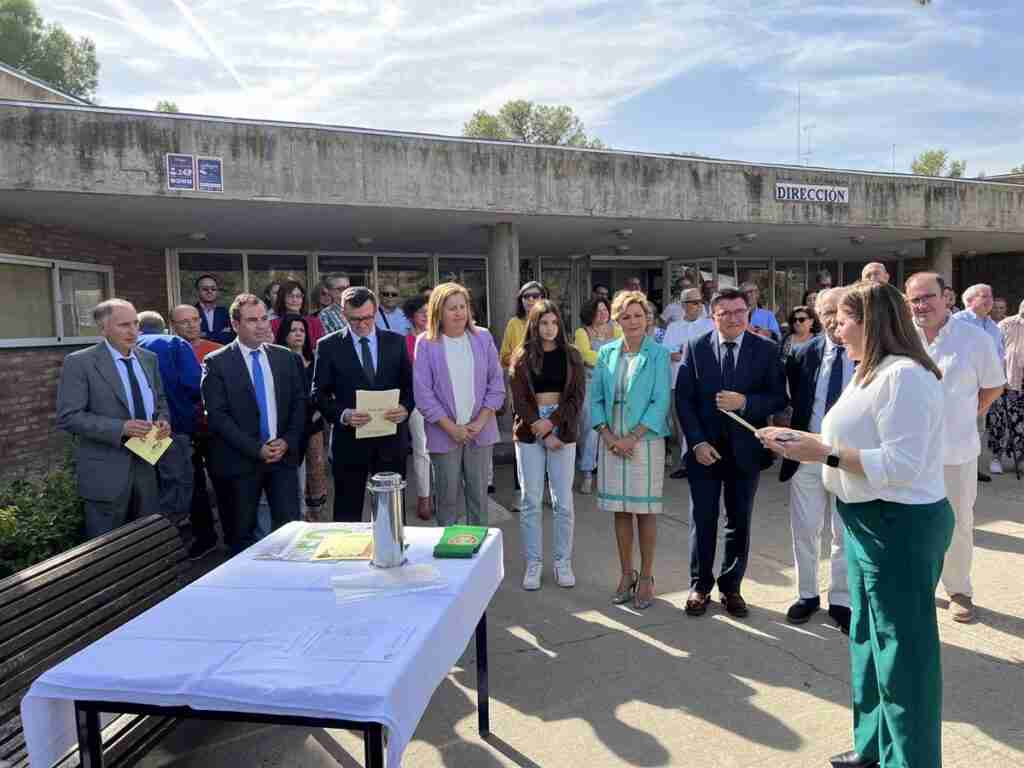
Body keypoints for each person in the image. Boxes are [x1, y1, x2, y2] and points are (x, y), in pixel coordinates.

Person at [758, 281, 953, 768]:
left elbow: (902, 463)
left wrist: (821, 452)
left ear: (870, 321)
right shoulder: (869, 371)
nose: (834, 328)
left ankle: (909, 760)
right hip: (866, 522)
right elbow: (839, 438)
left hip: (899, 527)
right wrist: (799, 439)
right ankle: (873, 746)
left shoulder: (906, 376)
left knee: (903, 659)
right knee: (868, 644)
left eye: (842, 320)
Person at [675, 287, 786, 618]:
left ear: (748, 313)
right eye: (726, 313)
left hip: (745, 452)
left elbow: (778, 397)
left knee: (739, 522)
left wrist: (746, 403)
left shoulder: (766, 349)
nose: (735, 318)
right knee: (703, 520)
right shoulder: (696, 348)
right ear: (714, 317)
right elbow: (684, 399)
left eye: (741, 312)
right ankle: (700, 585)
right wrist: (696, 442)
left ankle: (731, 586)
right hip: (704, 451)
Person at [907, 272, 1005, 624]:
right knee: (911, 523)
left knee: (958, 522)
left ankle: (959, 589)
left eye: (928, 297)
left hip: (956, 451)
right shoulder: (901, 338)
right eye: (915, 299)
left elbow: (994, 386)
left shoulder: (974, 339)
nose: (921, 305)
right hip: (908, 455)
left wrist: (968, 413)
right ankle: (918, 586)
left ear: (946, 297)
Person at [201, 294, 308, 553]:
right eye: (252, 320)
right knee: (241, 537)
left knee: (290, 533)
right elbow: (217, 416)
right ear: (236, 324)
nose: (261, 326)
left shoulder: (286, 358)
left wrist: (288, 441)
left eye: (264, 319)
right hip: (240, 463)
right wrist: (255, 449)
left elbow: (299, 405)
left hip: (282, 459)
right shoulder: (216, 362)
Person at [56, 299, 171, 538]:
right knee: (105, 546)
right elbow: (69, 417)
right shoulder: (80, 362)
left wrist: (163, 420)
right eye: (123, 325)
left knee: (146, 540)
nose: (132, 331)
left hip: (147, 462)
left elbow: (159, 400)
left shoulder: (149, 358)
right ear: (103, 328)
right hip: (106, 472)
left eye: (135, 323)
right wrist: (121, 428)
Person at [778, 289, 855, 632]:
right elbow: (791, 399)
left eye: (838, 312)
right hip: (806, 452)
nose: (832, 319)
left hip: (848, 457)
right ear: (816, 315)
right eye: (825, 312)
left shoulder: (867, 353)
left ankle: (841, 600)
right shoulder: (804, 353)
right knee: (806, 529)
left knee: (844, 532)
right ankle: (807, 594)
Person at [591, 291, 671, 610]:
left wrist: (632, 437)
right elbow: (595, 399)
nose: (633, 321)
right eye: (626, 316)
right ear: (617, 320)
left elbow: (661, 400)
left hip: (645, 442)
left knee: (645, 511)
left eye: (638, 315)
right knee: (621, 510)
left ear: (646, 318)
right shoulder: (606, 353)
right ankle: (626, 574)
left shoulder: (659, 354)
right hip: (612, 442)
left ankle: (647, 577)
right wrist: (609, 437)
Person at [312, 287, 413, 522]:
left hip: (390, 440)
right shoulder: (328, 346)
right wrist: (343, 414)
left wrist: (405, 408)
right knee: (347, 513)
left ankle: (393, 555)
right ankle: (347, 559)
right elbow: (318, 393)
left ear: (375, 311)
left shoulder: (396, 342)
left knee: (392, 514)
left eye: (367, 318)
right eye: (354, 319)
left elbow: (410, 387)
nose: (362, 324)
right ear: (344, 315)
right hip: (349, 442)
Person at [414, 282, 505, 526]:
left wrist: (480, 421)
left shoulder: (482, 337)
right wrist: (452, 428)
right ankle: (449, 559)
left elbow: (496, 384)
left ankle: (478, 556)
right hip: (444, 433)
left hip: (480, 431)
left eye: (462, 306)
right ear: (438, 312)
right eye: (451, 308)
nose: (459, 313)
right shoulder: (425, 343)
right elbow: (423, 394)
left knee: (478, 498)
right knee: (446, 500)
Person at [510, 300, 586, 590]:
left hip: (561, 428)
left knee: (563, 502)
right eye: (543, 323)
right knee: (531, 500)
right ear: (534, 324)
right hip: (530, 430)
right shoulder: (522, 356)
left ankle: (561, 561)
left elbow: (576, 398)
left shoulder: (573, 355)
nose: (549, 328)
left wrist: (552, 424)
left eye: (554, 322)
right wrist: (541, 430)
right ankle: (534, 563)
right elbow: (519, 401)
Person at [136, 310, 202, 527]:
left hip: (140, 429)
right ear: (165, 326)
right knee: (175, 485)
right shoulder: (174, 343)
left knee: (149, 485)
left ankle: (147, 533)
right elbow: (194, 384)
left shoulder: (129, 345)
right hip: (173, 426)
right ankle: (170, 535)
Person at [170, 304, 222, 559]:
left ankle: (233, 534)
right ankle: (205, 538)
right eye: (184, 322)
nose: (191, 325)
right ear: (173, 325)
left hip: (214, 430)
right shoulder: (166, 351)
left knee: (225, 482)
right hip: (183, 431)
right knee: (194, 487)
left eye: (195, 320)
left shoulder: (216, 350)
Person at [274, 313, 328, 519]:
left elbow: (323, 390)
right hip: (289, 427)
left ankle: (316, 516)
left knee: (315, 469)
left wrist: (318, 411)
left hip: (314, 423)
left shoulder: (315, 359)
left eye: (302, 331)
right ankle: (298, 515)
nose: (298, 334)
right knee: (295, 474)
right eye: (293, 330)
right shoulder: (278, 359)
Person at [954, 283, 1005, 483]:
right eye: (984, 295)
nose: (989, 299)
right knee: (957, 426)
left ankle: (971, 469)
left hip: (984, 388)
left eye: (991, 295)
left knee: (977, 429)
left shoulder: (993, 327)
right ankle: (955, 468)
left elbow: (999, 355)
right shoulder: (957, 321)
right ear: (969, 300)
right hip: (960, 385)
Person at [661, 288, 714, 479]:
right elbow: (666, 352)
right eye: (694, 302)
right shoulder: (674, 327)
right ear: (683, 305)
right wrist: (675, 354)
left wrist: (682, 354)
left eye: (701, 302)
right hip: (677, 382)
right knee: (682, 424)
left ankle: (702, 460)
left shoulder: (710, 324)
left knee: (704, 421)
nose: (699, 305)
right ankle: (686, 461)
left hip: (704, 383)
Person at [573, 297, 622, 495]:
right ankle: (587, 472)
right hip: (590, 386)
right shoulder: (581, 332)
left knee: (614, 428)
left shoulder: (616, 329)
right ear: (589, 313)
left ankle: (609, 473)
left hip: (615, 385)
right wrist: (610, 357)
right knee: (590, 431)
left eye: (605, 310)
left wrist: (602, 356)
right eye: (598, 310)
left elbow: (623, 351)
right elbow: (585, 356)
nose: (603, 314)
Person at [403, 294, 433, 520]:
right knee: (421, 449)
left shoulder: (439, 339)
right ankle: (425, 497)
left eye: (429, 311)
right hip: (415, 402)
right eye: (422, 312)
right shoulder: (403, 342)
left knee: (443, 449)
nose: (426, 316)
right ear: (412, 316)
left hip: (441, 401)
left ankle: (444, 494)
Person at [989, 300, 1024, 474]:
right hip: (1006, 383)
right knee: (1000, 423)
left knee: (1021, 425)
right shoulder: (1006, 325)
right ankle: (996, 457)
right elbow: (994, 352)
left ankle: (1020, 457)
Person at [500, 281, 547, 369]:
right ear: (521, 300)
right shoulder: (513, 323)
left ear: (542, 298)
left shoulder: (550, 321)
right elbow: (503, 358)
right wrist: (520, 358)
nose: (530, 299)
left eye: (535, 296)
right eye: (526, 296)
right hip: (521, 378)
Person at [272, 279, 325, 350]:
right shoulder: (273, 324)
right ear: (282, 298)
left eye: (298, 296)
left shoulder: (314, 322)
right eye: (290, 296)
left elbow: (321, 348)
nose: (294, 300)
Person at [194, 274, 235, 344]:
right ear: (197, 291)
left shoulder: (226, 313)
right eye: (205, 289)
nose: (210, 291)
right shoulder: (192, 313)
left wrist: (205, 335)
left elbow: (233, 337)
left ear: (217, 292)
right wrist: (220, 334)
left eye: (213, 289)